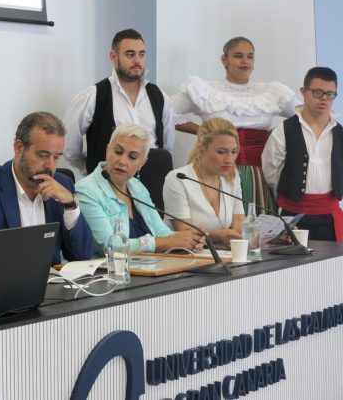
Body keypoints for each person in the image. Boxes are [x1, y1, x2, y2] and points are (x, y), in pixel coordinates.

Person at [171, 36, 300, 212]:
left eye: (250, 56)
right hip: (214, 170)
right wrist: (203, 131)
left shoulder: (271, 92)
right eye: (238, 55)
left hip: (257, 173)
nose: (244, 61)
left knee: (255, 227)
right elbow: (164, 112)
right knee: (216, 220)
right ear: (224, 59)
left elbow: (305, 118)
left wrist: (277, 136)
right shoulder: (206, 89)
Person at [0, 112, 95, 265]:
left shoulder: (62, 185)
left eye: (56, 157)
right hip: (2, 286)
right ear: (19, 148)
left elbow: (82, 255)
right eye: (43, 155)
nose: (50, 166)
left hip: (52, 285)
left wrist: (70, 205)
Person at [63, 28, 186, 175]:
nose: (137, 60)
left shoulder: (159, 96)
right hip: (108, 184)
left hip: (151, 182)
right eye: (130, 54)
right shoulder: (95, 95)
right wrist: (91, 170)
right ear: (113, 56)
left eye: (141, 54)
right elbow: (69, 147)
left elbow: (166, 146)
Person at [75, 123, 205, 255]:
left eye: (132, 157)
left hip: (151, 267)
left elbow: (160, 231)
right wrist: (169, 241)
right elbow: (110, 246)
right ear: (108, 150)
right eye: (118, 152)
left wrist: (187, 239)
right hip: (112, 271)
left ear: (142, 163)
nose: (122, 161)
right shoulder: (86, 190)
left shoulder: (137, 187)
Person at [262, 67, 343, 242]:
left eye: (330, 94)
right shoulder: (284, 130)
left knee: (333, 268)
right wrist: (292, 191)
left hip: (330, 216)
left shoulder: (340, 133)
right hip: (293, 216)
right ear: (304, 92)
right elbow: (271, 173)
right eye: (317, 92)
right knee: (293, 267)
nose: (324, 99)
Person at [163, 118, 244, 247]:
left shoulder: (232, 177)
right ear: (201, 149)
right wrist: (219, 235)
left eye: (234, 152)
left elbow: (239, 222)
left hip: (222, 254)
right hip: (185, 255)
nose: (229, 160)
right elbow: (184, 232)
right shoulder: (178, 178)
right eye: (221, 152)